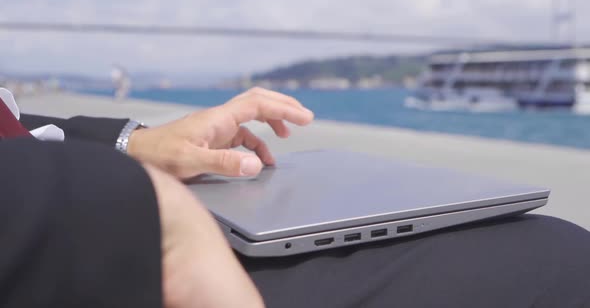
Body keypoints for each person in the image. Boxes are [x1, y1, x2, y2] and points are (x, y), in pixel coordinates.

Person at [1, 87, 589, 308]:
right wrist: (144, 207)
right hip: (49, 239)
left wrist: (131, 142)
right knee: (559, 263)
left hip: (47, 194)